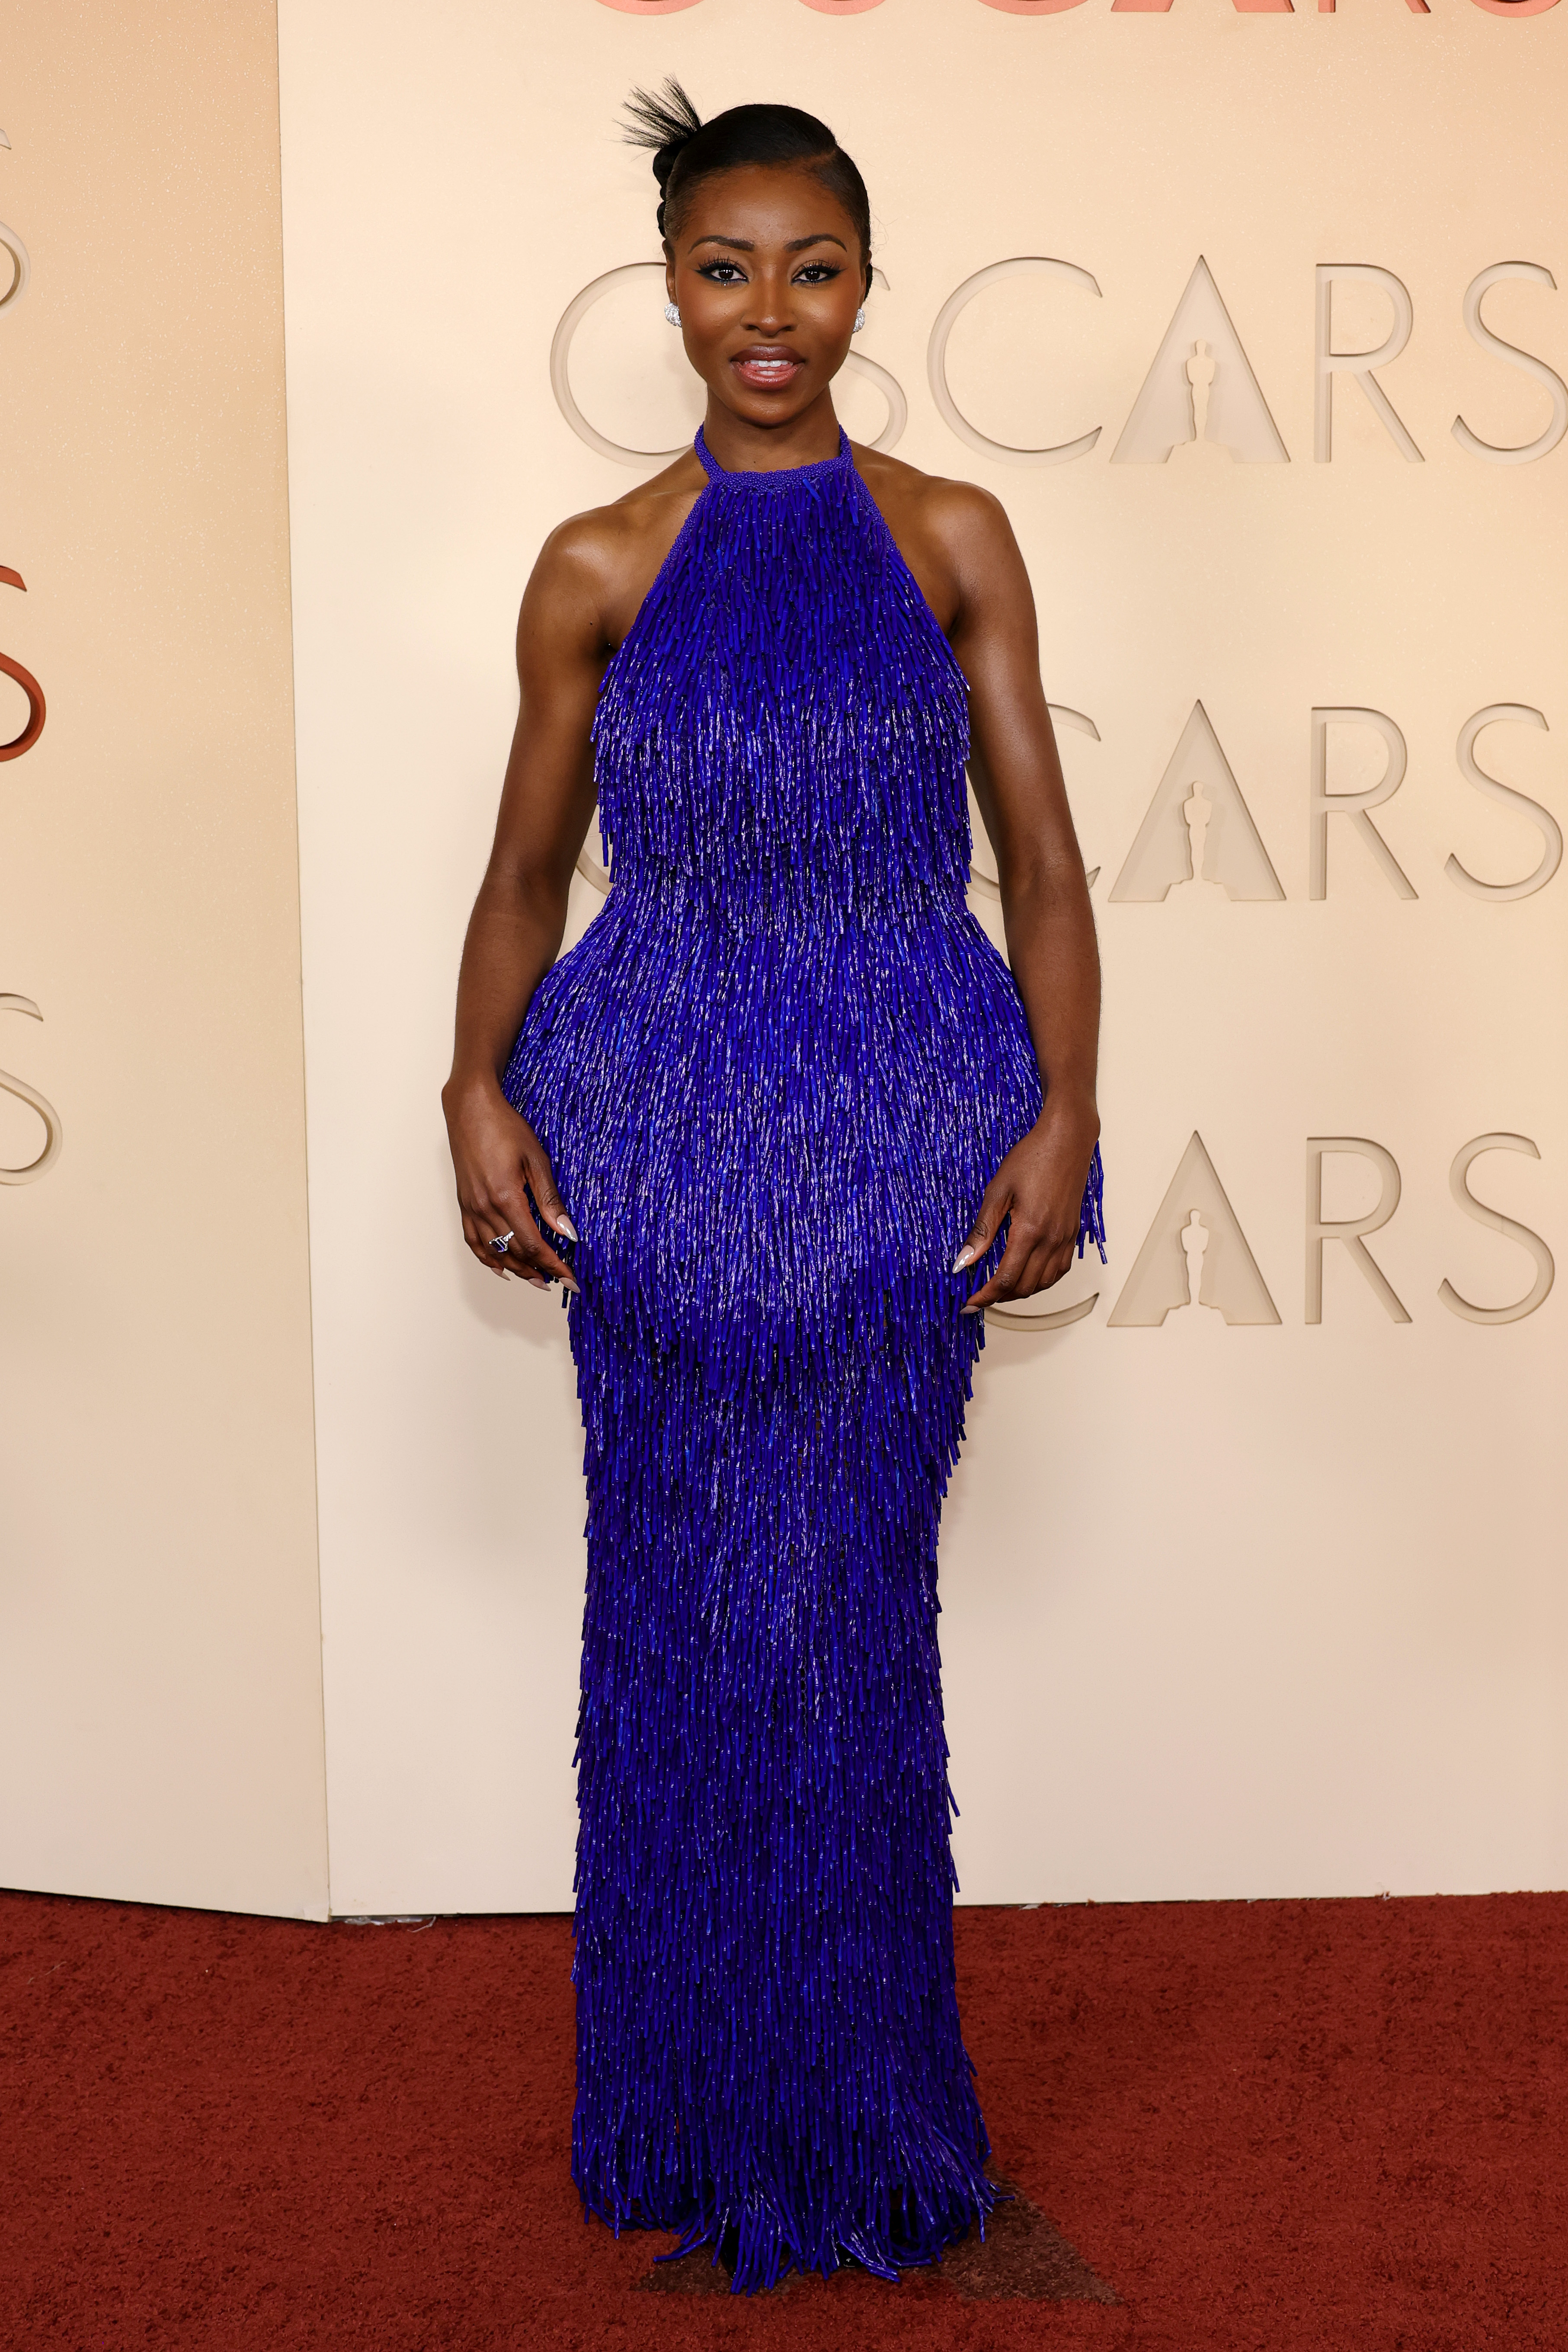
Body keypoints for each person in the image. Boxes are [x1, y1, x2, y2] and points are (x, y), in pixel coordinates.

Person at [441, 82, 1104, 2295]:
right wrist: (472, 1083)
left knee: (844, 1628)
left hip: (905, 1120)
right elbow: (526, 875)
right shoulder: (597, 565)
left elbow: (1041, 865)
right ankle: (678, 2103)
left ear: (865, 285)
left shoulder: (952, 535)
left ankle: (868, 2115)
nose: (769, 310)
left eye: (811, 268)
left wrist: (1064, 1113)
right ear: (666, 287)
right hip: (654, 1133)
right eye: (725, 267)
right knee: (676, 1621)